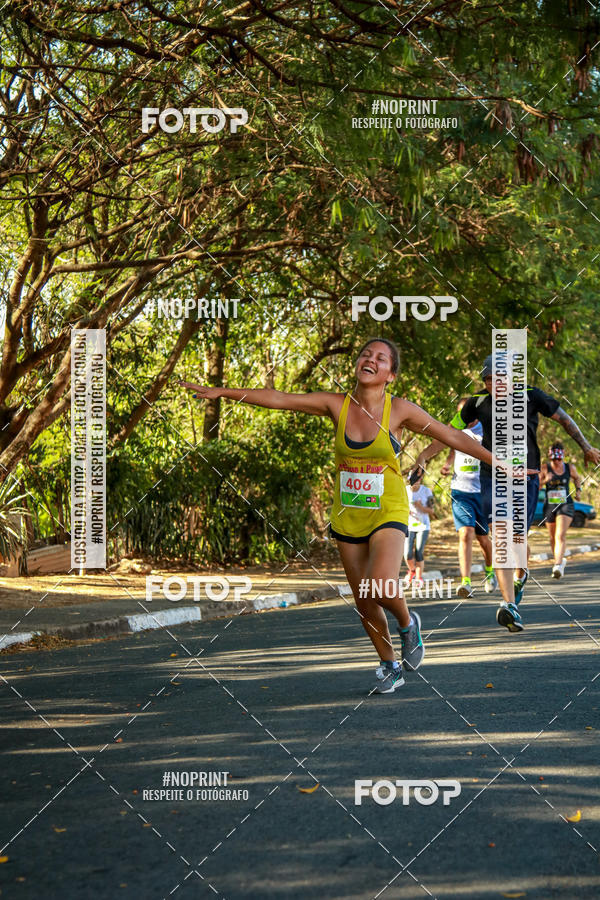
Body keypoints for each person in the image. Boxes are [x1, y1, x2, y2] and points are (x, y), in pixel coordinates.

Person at [178, 338, 496, 694]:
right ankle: (389, 664)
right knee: (363, 597)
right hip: (348, 512)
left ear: (391, 374)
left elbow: (453, 435)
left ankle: (408, 624)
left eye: (380, 358)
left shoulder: (400, 410)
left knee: (380, 581)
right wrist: (220, 391)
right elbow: (280, 398)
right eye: (365, 354)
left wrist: (498, 464)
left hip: (388, 506)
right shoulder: (335, 404)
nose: (370, 360)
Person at [414, 354, 600, 633]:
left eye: (498, 379)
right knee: (501, 534)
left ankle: (521, 573)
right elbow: (448, 433)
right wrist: (423, 457)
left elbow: (564, 419)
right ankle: (508, 604)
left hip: (527, 478)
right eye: (488, 380)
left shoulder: (531, 395)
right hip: (493, 477)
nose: (493, 385)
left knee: (516, 538)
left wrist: (586, 446)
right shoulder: (477, 403)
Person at [440, 401, 496, 598]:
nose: (463, 418)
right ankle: (466, 582)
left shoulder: (486, 431)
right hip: (460, 491)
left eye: (466, 414)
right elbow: (452, 451)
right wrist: (447, 465)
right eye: (459, 415)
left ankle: (490, 571)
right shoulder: (457, 431)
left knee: (483, 540)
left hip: (482, 492)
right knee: (465, 534)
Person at [540, 442, 582, 578]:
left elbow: (577, 478)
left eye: (559, 459)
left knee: (560, 535)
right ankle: (559, 561)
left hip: (566, 504)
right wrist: (545, 480)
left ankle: (558, 565)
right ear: (550, 457)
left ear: (562, 457)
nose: (557, 462)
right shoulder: (545, 468)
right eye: (554, 459)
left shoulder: (570, 468)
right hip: (550, 505)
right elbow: (537, 487)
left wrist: (578, 491)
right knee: (552, 537)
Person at [404, 468, 434, 589]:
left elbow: (432, 511)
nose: (415, 483)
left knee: (418, 552)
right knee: (407, 554)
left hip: (423, 526)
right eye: (412, 480)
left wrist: (420, 507)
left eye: (417, 480)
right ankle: (412, 570)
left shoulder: (426, 491)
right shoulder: (405, 491)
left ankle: (418, 577)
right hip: (409, 526)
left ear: (421, 479)